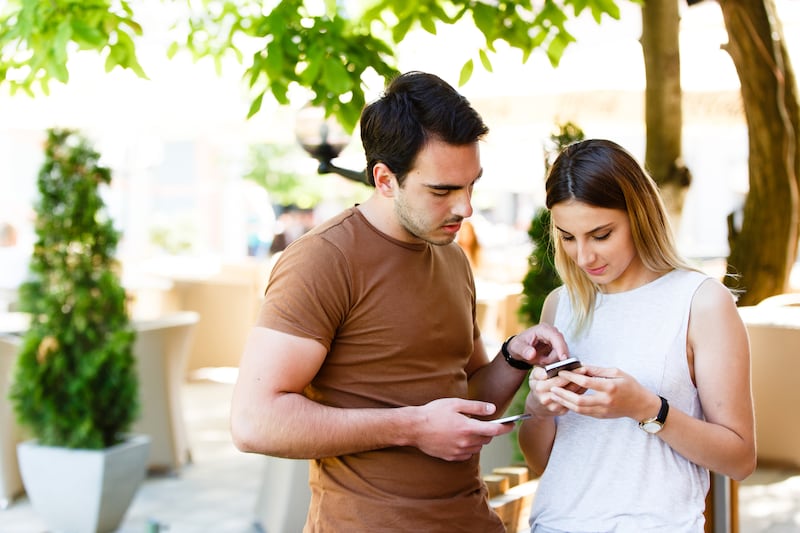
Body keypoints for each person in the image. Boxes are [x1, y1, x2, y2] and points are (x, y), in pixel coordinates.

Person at [230, 71, 569, 531]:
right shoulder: (322, 260)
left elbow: (464, 397)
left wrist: (514, 356)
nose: (465, 207)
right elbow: (254, 422)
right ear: (385, 179)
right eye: (442, 190)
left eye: (471, 184)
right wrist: (412, 427)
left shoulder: (451, 257)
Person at [518, 139, 756, 532]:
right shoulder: (560, 305)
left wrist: (647, 408)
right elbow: (542, 462)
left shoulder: (700, 302)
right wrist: (541, 410)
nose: (584, 256)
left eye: (601, 234)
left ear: (639, 215)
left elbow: (740, 459)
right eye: (567, 236)